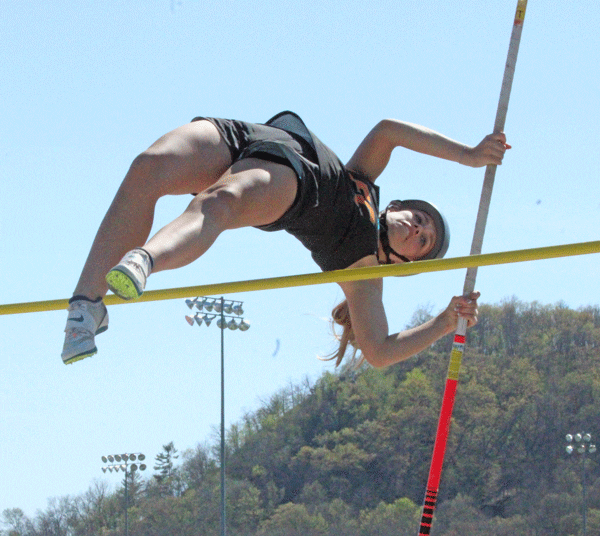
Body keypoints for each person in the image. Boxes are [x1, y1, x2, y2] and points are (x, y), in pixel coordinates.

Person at [61, 111, 509, 366]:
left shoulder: (363, 271)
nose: (417, 228)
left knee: (220, 202)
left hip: (295, 187)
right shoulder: (365, 180)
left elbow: (377, 351)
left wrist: (444, 323)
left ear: (405, 262)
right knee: (147, 167)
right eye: (421, 218)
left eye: (423, 241)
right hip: (252, 137)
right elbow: (389, 130)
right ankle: (86, 308)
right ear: (399, 207)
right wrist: (469, 156)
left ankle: (145, 260)